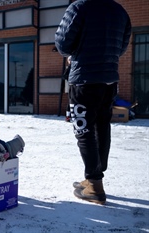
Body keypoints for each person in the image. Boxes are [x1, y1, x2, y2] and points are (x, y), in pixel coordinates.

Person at [55, 0, 131, 204]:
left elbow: (62, 44)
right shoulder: (119, 10)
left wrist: (76, 54)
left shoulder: (80, 7)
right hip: (109, 78)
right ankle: (94, 177)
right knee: (102, 125)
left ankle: (95, 186)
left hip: (84, 79)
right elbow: (122, 47)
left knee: (84, 129)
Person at [63, 56, 71, 122]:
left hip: (75, 86)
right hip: (72, 86)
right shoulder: (69, 68)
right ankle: (68, 116)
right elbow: (65, 76)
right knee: (70, 101)